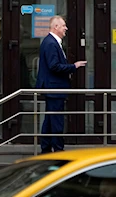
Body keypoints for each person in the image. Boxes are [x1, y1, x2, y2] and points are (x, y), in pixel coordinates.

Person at [35, 15, 87, 154]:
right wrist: (73, 67)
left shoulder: (50, 42)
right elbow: (54, 66)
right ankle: (58, 149)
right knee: (56, 120)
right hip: (54, 88)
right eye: (63, 26)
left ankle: (46, 148)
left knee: (50, 119)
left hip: (52, 87)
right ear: (55, 27)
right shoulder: (51, 43)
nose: (66, 28)